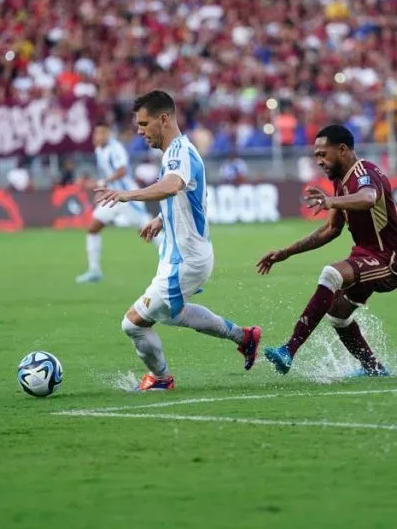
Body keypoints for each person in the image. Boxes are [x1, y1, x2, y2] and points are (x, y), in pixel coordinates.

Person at [94, 90, 262, 391]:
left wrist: (127, 194)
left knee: (133, 324)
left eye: (144, 125)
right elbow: (191, 192)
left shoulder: (178, 153)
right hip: (184, 254)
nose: (140, 132)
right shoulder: (178, 151)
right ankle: (244, 337)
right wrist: (162, 219)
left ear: (163, 119)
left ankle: (161, 379)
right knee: (175, 314)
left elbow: (172, 185)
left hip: (184, 260)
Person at [256, 125, 397, 377]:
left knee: (331, 274)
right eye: (316, 156)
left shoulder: (365, 172)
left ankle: (289, 349)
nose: (319, 161)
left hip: (387, 260)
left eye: (323, 154)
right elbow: (330, 230)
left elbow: (368, 197)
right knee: (337, 314)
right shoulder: (341, 182)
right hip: (365, 256)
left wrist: (330, 201)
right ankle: (374, 369)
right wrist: (286, 252)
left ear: (343, 150)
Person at [76, 122, 160, 284]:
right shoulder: (99, 150)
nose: (95, 138)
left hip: (127, 197)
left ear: (107, 135)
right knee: (93, 228)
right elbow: (109, 174)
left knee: (148, 232)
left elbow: (122, 171)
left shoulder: (116, 149)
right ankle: (94, 271)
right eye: (95, 134)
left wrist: (102, 182)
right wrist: (103, 189)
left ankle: (175, 261)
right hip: (112, 197)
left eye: (99, 134)